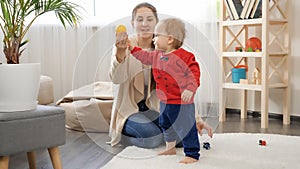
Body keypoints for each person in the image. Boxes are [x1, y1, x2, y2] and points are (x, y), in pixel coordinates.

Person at [108, 2, 212, 150]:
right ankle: (128, 138)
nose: (144, 24)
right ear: (132, 23)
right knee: (152, 138)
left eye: (150, 19)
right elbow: (116, 79)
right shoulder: (124, 45)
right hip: (130, 110)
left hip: (156, 107)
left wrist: (196, 119)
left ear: (156, 22)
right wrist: (120, 53)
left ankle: (159, 134)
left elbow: (181, 86)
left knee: (183, 139)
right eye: (139, 19)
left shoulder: (166, 49)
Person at [129, 18, 201, 164]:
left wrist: (190, 89)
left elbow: (194, 74)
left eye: (156, 36)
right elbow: (143, 56)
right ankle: (170, 147)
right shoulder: (156, 55)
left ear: (169, 39)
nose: (154, 39)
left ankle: (192, 153)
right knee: (166, 123)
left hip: (182, 103)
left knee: (185, 126)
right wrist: (131, 48)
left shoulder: (186, 57)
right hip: (164, 101)